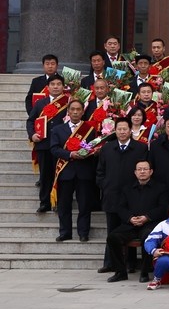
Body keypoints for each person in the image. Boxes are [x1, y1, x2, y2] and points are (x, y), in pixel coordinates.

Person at [96, 117, 148, 272]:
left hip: (132, 198)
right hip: (111, 196)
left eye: (125, 129)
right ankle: (110, 263)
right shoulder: (107, 148)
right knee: (112, 230)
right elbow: (100, 172)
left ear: (130, 130)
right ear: (115, 131)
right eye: (119, 129)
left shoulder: (140, 148)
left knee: (130, 229)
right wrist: (105, 186)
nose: (122, 132)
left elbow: (144, 171)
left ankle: (131, 263)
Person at [105, 160, 168, 283]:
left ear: (151, 171)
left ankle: (145, 272)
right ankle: (120, 272)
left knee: (148, 237)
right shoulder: (127, 188)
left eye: (145, 169)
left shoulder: (160, 188)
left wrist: (147, 217)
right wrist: (130, 218)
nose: (142, 172)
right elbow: (121, 207)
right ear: (135, 172)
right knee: (112, 237)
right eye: (139, 169)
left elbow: (163, 208)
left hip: (149, 224)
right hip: (130, 225)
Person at [50, 100, 99, 243]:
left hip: (84, 171)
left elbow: (94, 147)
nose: (76, 112)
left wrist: (93, 152)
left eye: (78, 109)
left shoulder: (90, 129)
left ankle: (83, 232)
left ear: (83, 112)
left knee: (84, 204)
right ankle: (65, 232)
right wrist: (70, 154)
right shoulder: (58, 129)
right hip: (65, 171)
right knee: (64, 205)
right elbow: (54, 149)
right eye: (73, 109)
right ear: (68, 111)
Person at [27, 73, 69, 213]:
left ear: (63, 87)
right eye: (53, 84)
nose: (56, 87)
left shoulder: (69, 103)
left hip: (61, 146)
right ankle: (45, 202)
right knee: (45, 175)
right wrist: (32, 134)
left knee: (60, 175)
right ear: (48, 87)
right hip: (43, 144)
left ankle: (59, 202)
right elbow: (30, 121)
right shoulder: (40, 103)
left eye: (58, 84)